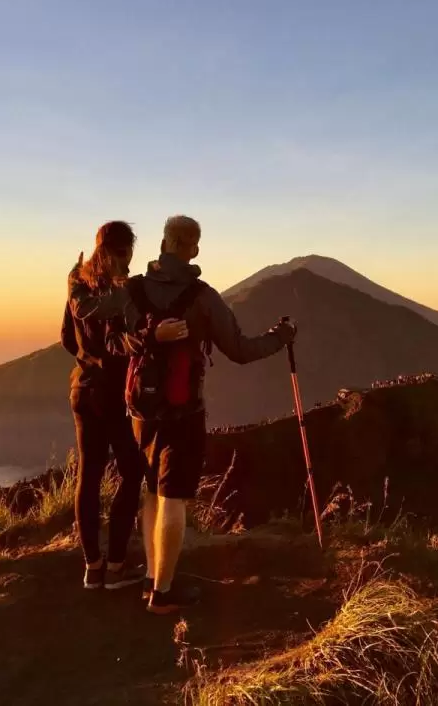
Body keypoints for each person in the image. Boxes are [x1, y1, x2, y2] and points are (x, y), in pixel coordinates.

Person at [125, 215, 296, 614]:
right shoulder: (203, 298)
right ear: (194, 248)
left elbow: (117, 339)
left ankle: (152, 577)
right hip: (183, 412)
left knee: (151, 491)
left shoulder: (131, 290)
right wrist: (280, 338)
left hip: (139, 410)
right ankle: (164, 593)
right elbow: (239, 349)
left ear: (164, 243)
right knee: (174, 498)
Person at [60, 221, 155, 591]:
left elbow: (67, 337)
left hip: (82, 391)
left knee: (90, 475)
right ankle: (116, 565)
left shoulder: (78, 283)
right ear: (125, 249)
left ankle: (92, 567)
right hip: (113, 394)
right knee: (131, 472)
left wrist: (88, 358)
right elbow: (128, 339)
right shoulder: (123, 290)